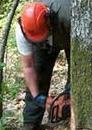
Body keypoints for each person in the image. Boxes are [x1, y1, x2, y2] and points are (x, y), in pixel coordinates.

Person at [15, 0, 70, 129]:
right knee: (38, 75)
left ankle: (72, 112)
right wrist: (38, 97)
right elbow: (29, 67)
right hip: (44, 46)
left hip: (70, 35)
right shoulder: (22, 30)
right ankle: (30, 124)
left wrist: (70, 92)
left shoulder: (68, 15)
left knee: (78, 72)